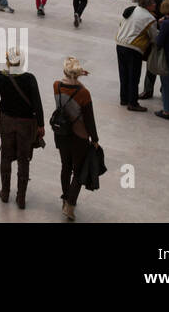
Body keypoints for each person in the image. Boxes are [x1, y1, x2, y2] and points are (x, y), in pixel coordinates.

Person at [0, 47, 44, 209]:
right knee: (23, 159)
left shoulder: (1, 77)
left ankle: (5, 192)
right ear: (22, 61)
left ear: (7, 61)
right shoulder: (29, 79)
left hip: (6, 121)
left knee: (6, 157)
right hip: (26, 124)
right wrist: (41, 125)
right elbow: (37, 104)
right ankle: (21, 198)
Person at [54, 56, 99, 221]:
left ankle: (65, 198)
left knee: (65, 166)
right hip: (79, 138)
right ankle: (70, 206)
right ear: (77, 73)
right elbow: (89, 119)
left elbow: (67, 85)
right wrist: (94, 139)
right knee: (78, 171)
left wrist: (75, 78)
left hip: (61, 134)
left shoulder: (56, 86)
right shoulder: (84, 93)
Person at [115, 0, 158, 111]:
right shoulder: (150, 18)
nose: (155, 4)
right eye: (153, 3)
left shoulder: (132, 10)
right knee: (134, 76)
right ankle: (133, 103)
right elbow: (155, 38)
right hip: (133, 48)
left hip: (120, 43)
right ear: (148, 5)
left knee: (123, 74)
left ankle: (124, 98)